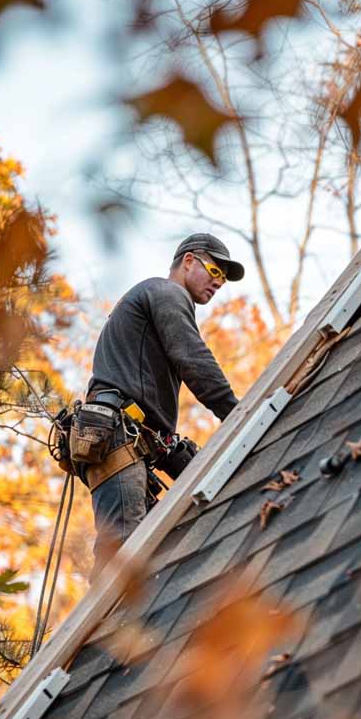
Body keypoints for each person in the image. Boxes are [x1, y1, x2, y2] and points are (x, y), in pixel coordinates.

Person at [84, 232, 244, 577]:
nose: (219, 284)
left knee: (142, 551)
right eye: (215, 271)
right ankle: (112, 628)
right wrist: (237, 415)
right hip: (118, 437)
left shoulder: (153, 301)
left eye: (223, 280)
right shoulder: (166, 292)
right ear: (188, 261)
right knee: (123, 554)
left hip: (132, 438)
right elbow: (193, 359)